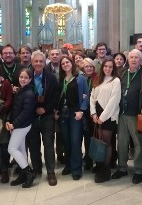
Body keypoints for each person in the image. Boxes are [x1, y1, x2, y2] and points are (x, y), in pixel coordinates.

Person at [26, 50, 60, 186]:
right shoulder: (27, 76)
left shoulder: (50, 77)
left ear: (44, 62)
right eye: (36, 61)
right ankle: (37, 168)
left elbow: (56, 96)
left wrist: (46, 109)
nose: (38, 63)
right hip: (32, 115)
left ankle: (51, 171)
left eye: (41, 61)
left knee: (48, 144)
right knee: (33, 144)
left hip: (47, 115)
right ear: (32, 62)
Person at [112, 49, 142, 184]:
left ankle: (138, 170)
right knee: (122, 142)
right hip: (121, 113)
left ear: (140, 60)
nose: (133, 59)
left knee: (138, 143)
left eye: (136, 57)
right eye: (131, 57)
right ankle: (122, 167)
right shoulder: (122, 73)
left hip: (135, 114)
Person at [90, 58, 121, 183]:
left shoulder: (116, 81)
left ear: (113, 68)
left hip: (107, 116)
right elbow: (92, 97)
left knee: (106, 143)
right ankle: (99, 165)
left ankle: (106, 170)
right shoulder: (98, 79)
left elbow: (114, 101)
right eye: (105, 66)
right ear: (102, 67)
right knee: (99, 141)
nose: (107, 69)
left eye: (110, 67)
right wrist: (93, 113)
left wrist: (102, 117)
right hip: (96, 116)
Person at [58, 56, 89, 180]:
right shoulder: (61, 79)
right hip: (63, 114)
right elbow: (58, 97)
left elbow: (86, 96)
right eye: (63, 63)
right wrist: (56, 110)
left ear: (72, 63)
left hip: (75, 114)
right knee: (66, 141)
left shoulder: (80, 78)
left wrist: (81, 111)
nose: (65, 64)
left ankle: (76, 168)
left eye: (67, 62)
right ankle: (68, 165)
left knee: (75, 141)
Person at [7, 69, 36, 188]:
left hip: (22, 125)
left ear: (30, 80)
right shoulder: (20, 91)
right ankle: (24, 174)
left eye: (25, 78)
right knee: (21, 149)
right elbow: (15, 108)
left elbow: (26, 113)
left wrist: (14, 124)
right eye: (21, 77)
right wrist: (9, 121)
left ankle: (29, 172)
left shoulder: (29, 93)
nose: (22, 79)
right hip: (18, 124)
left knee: (12, 149)